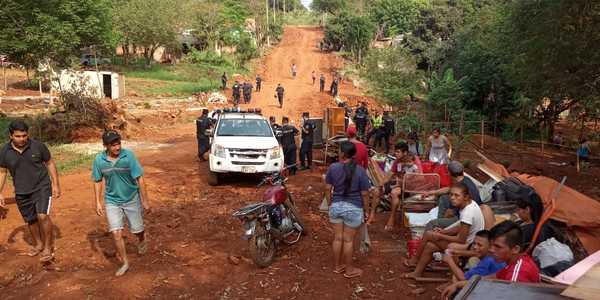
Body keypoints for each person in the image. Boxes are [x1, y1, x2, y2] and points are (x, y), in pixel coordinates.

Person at [0, 120, 61, 262]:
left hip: (42, 186)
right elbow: (2, 172)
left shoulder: (38, 146)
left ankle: (47, 248)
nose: (21, 139)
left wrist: (56, 184)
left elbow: (50, 163)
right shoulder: (4, 152)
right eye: (18, 136)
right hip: (21, 191)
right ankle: (38, 244)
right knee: (31, 219)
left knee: (42, 216)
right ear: (11, 136)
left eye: (24, 135)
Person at [92, 131, 150, 276]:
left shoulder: (128, 156)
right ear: (105, 146)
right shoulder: (99, 160)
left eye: (118, 144)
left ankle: (141, 239)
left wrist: (145, 200)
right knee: (116, 233)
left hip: (131, 198)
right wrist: (98, 202)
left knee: (137, 229)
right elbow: (97, 180)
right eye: (113, 145)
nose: (117, 147)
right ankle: (125, 263)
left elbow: (140, 178)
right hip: (112, 201)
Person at [404, 183, 485, 280]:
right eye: (451, 195)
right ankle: (417, 272)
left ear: (466, 197)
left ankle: (414, 259)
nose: (452, 198)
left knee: (429, 234)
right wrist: (443, 232)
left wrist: (440, 236)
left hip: (467, 247)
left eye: (456, 195)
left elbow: (461, 240)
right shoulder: (470, 204)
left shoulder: (468, 212)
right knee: (429, 246)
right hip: (468, 244)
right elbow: (460, 225)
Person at [441, 221, 540, 299]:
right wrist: (458, 284)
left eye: (497, 246)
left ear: (515, 249)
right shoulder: (515, 260)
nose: (491, 250)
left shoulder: (517, 273)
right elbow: (489, 279)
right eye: (491, 245)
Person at [324, 141, 371, 279]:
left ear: (343, 154)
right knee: (348, 240)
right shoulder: (360, 170)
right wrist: (366, 210)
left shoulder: (333, 168)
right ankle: (349, 270)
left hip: (336, 206)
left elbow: (327, 188)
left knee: (338, 238)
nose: (337, 152)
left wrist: (330, 204)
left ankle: (338, 266)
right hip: (354, 208)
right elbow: (365, 194)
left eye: (339, 150)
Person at [424, 161, 483, 231]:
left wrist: (452, 212)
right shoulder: (465, 180)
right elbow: (448, 189)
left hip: (465, 217)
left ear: (449, 173)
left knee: (432, 223)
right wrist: (431, 192)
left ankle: (438, 225)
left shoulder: (462, 186)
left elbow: (454, 211)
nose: (452, 197)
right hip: (470, 210)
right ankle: (441, 222)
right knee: (444, 198)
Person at [383, 142, 419, 230]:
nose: (396, 153)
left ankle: (392, 218)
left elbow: (419, 178)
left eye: (398, 152)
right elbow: (390, 174)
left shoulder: (414, 160)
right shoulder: (397, 161)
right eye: (395, 151)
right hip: (400, 184)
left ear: (405, 152)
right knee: (378, 190)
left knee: (394, 192)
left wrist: (404, 181)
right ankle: (371, 215)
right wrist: (381, 184)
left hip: (411, 186)